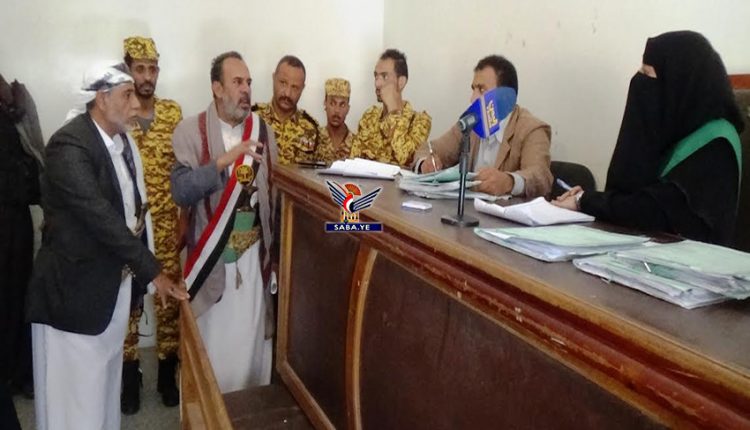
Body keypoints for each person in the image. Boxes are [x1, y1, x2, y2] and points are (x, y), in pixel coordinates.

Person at [26, 62, 188, 430]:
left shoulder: (121, 141)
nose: (136, 105)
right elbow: (102, 219)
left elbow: (137, 213)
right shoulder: (69, 145)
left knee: (103, 393)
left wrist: (144, 275)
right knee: (76, 402)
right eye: (126, 95)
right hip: (74, 298)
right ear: (101, 98)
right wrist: (154, 273)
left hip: (109, 290)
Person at [554, 31, 744, 246]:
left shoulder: (716, 142)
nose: (639, 81)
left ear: (678, 81)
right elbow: (633, 195)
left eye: (647, 73)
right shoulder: (676, 130)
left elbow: (654, 211)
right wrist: (589, 200)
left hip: (693, 262)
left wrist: (584, 201)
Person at [171, 51, 277, 393]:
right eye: (237, 82)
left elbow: (274, 195)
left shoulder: (263, 131)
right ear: (217, 88)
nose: (246, 90)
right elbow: (181, 190)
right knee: (214, 356)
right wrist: (221, 162)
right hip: (212, 262)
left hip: (252, 262)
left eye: (249, 82)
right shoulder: (190, 131)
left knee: (250, 351)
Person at [121, 35, 184, 413]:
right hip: (128, 228)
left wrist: (183, 221)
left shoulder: (173, 114)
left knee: (168, 301)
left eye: (152, 69)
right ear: (128, 70)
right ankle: (129, 377)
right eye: (140, 69)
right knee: (128, 302)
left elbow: (184, 170)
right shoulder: (116, 113)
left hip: (165, 223)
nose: (147, 77)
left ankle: (166, 376)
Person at [414, 55, 553, 198]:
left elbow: (540, 177)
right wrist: (425, 163)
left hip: (505, 211)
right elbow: (428, 148)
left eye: (481, 89)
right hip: (467, 208)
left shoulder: (531, 129)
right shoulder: (471, 121)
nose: (472, 98)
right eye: (473, 89)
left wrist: (509, 182)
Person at [0, 73, 44, 401]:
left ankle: (20, 373)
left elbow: (35, 152)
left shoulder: (14, 97)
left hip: (15, 217)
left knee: (19, 294)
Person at [349, 49, 431, 167]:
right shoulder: (369, 117)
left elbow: (405, 159)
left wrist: (393, 111)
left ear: (401, 82)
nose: (377, 84)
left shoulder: (420, 121)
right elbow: (353, 162)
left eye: (384, 76)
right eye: (376, 76)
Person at [252, 55, 319, 165]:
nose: (287, 93)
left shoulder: (311, 129)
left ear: (302, 88)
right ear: (273, 78)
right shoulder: (253, 118)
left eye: (294, 87)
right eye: (283, 83)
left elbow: (316, 171)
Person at [314, 78, 356, 163]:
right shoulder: (315, 138)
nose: (337, 110)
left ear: (348, 108)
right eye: (332, 103)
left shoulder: (356, 143)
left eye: (342, 105)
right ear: (325, 104)